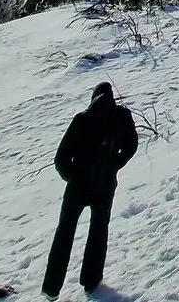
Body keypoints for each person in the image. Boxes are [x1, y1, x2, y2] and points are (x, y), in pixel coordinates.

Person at [43, 81, 138, 298]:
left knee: (64, 234)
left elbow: (60, 159)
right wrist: (114, 164)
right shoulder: (121, 116)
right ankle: (91, 281)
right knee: (98, 231)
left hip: (77, 186)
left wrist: (73, 177)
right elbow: (131, 145)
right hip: (104, 185)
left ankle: (51, 288)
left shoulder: (82, 120)